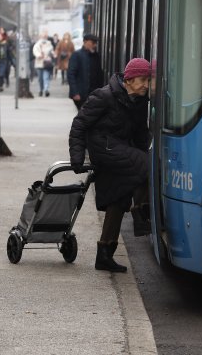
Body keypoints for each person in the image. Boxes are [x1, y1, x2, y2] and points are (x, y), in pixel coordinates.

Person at [68, 57, 153, 273]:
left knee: (118, 198)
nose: (146, 84)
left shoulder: (139, 101)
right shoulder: (103, 96)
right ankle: (141, 215)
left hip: (119, 149)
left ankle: (104, 255)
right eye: (143, 79)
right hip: (103, 149)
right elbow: (79, 125)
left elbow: (140, 133)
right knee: (147, 165)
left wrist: (145, 150)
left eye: (147, 80)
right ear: (130, 79)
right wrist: (77, 157)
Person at [67, 33, 105, 111]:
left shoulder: (96, 56)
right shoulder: (77, 55)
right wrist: (75, 92)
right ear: (85, 42)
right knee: (84, 115)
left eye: (95, 43)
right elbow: (71, 74)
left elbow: (99, 74)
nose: (94, 45)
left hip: (93, 93)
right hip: (80, 93)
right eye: (93, 43)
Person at [32, 32, 55, 96]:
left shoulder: (49, 44)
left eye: (45, 36)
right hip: (39, 63)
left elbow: (51, 51)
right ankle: (41, 89)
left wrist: (53, 54)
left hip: (47, 63)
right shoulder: (37, 44)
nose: (44, 37)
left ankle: (46, 89)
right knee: (40, 78)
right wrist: (39, 55)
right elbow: (35, 51)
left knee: (46, 77)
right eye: (43, 36)